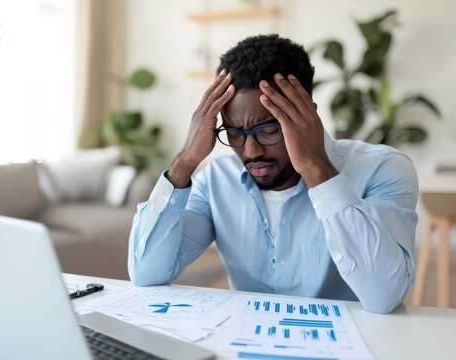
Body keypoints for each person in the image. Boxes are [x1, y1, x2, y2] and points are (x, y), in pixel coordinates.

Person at [127, 34, 418, 314]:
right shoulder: (215, 181)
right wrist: (184, 162)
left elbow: (383, 297)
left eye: (268, 129)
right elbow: (146, 273)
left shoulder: (383, 170)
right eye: (234, 133)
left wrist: (317, 168)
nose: (251, 150)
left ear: (308, 115)